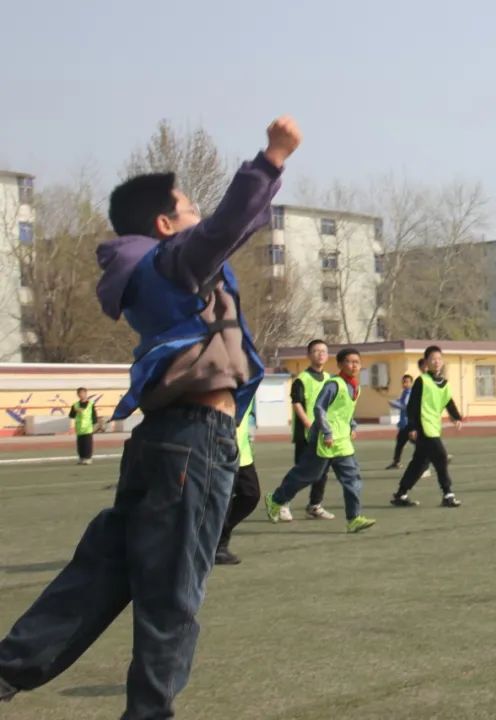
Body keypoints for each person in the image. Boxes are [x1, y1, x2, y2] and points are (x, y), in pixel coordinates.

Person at [0, 116, 300, 715]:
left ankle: (6, 671)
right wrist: (272, 157)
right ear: (165, 225)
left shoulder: (143, 275)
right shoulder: (174, 265)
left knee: (101, 574)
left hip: (161, 443)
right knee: (172, 595)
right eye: (187, 208)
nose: (196, 217)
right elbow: (226, 226)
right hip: (194, 441)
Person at [265, 348, 376, 534]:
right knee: (308, 475)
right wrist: (327, 432)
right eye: (349, 361)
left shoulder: (355, 387)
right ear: (340, 364)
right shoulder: (334, 384)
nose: (354, 365)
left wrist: (352, 426)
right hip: (324, 440)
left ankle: (354, 519)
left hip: (342, 442)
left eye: (357, 362)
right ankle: (276, 500)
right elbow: (319, 409)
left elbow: (345, 411)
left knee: (352, 479)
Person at [391, 345, 463, 508]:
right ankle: (448, 493)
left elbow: (448, 402)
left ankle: (401, 494)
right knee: (441, 457)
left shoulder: (444, 383)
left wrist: (456, 417)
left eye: (439, 359)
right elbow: (412, 407)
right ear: (426, 363)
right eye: (433, 359)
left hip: (434, 426)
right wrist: (412, 427)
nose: (436, 362)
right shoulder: (422, 381)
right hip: (424, 428)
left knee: (420, 463)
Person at [280, 339, 335, 521]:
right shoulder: (301, 379)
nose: (320, 354)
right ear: (309, 355)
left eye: (324, 351)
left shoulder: (330, 379)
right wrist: (308, 425)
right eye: (316, 351)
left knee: (322, 472)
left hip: (324, 434)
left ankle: (314, 505)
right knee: (302, 471)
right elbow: (297, 404)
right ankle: (282, 503)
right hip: (306, 434)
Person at [216, 402, 260, 565]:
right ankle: (218, 547)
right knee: (222, 502)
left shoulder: (250, 382)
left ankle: (216, 535)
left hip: (242, 452)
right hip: (220, 451)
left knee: (251, 495)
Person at [386, 373, 413, 469]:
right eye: (403, 382)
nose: (404, 384)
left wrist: (393, 404)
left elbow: (405, 406)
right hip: (404, 424)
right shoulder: (405, 392)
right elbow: (401, 401)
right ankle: (396, 462)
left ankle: (439, 456)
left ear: (411, 383)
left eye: (406, 382)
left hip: (408, 424)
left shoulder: (410, 393)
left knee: (420, 443)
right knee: (400, 442)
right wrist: (395, 401)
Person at [68, 387, 99, 465]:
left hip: (88, 428)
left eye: (83, 393)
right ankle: (81, 458)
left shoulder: (90, 404)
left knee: (87, 444)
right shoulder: (75, 405)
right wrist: (75, 411)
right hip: (79, 428)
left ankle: (88, 458)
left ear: (86, 394)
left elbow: (94, 416)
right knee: (80, 444)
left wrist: (95, 425)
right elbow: (71, 415)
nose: (81, 395)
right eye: (79, 393)